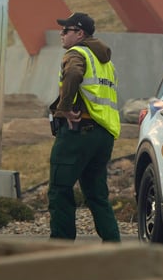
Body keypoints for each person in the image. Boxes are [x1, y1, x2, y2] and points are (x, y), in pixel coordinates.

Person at [48, 12, 121, 242]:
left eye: (66, 30)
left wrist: (64, 108)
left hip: (78, 132)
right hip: (103, 134)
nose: (61, 34)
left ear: (79, 33)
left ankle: (60, 247)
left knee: (60, 189)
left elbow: (72, 74)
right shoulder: (105, 62)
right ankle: (114, 248)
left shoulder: (77, 54)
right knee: (97, 195)